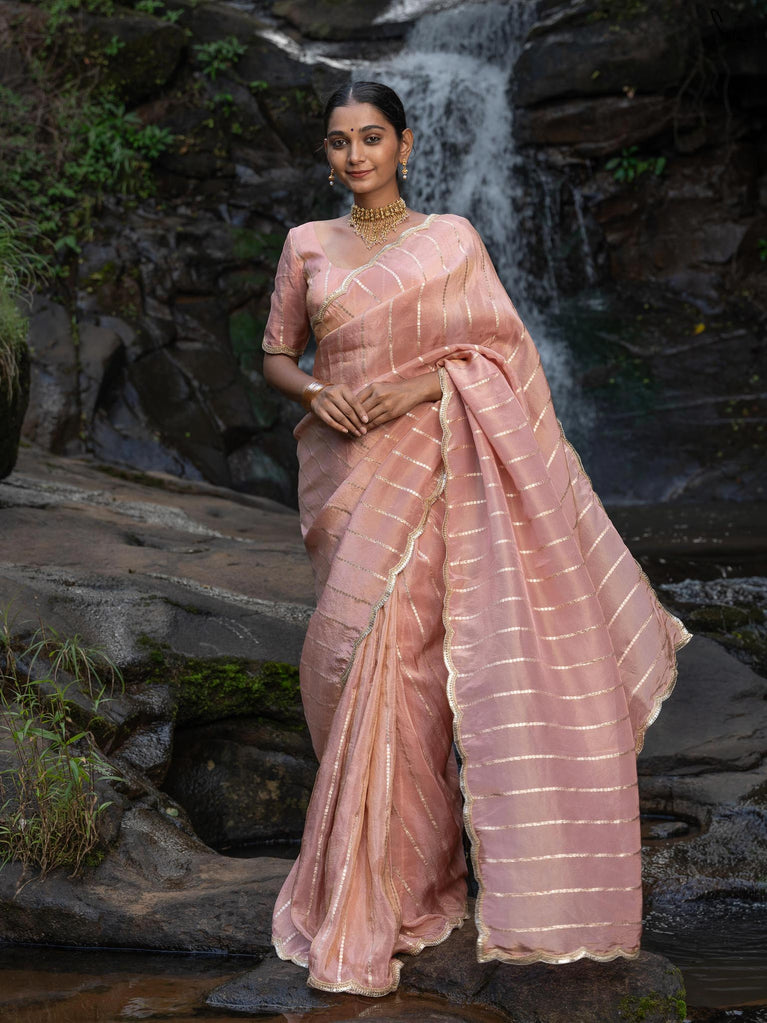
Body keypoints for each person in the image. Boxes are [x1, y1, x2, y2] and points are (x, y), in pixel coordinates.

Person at [261, 80, 691, 997]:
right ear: (326, 155)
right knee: (343, 654)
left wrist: (419, 388)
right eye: (338, 141)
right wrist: (317, 393)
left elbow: (502, 355)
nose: (354, 155)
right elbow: (275, 356)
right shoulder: (306, 245)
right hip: (346, 477)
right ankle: (384, 869)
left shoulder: (452, 240)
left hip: (432, 463)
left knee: (409, 672)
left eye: (371, 138)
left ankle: (403, 885)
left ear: (405, 144)